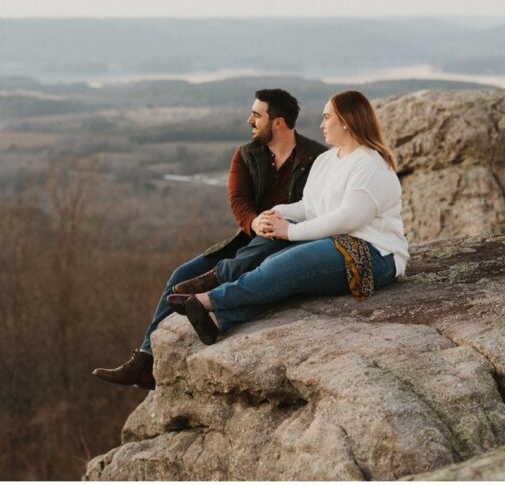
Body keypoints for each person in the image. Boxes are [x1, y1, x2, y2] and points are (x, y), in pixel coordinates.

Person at [92, 89, 328, 389]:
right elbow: (238, 201)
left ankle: (212, 288)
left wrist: (282, 226)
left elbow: (321, 206)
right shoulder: (246, 155)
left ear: (278, 122)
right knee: (181, 274)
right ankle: (145, 360)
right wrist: (255, 222)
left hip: (292, 240)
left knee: (255, 257)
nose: (249, 120)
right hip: (249, 239)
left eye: (257, 115)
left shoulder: (317, 158)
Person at [177, 90, 409, 345]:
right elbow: (309, 206)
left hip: (373, 255)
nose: (321, 124)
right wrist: (277, 214)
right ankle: (218, 320)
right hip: (335, 242)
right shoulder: (327, 160)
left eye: (327, 117)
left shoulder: (369, 165)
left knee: (285, 266)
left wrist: (290, 232)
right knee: (276, 261)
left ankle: (210, 299)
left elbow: (347, 219)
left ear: (346, 120)